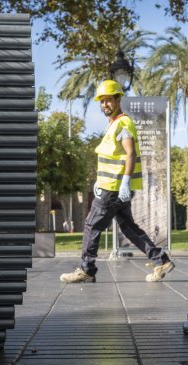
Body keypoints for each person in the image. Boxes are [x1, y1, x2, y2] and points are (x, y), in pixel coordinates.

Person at [60, 80, 174, 283]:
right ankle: (161, 260)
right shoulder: (113, 124)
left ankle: (86, 269)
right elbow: (112, 157)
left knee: (91, 225)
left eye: (108, 100)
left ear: (118, 99)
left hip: (113, 188)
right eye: (102, 101)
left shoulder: (122, 123)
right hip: (109, 185)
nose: (105, 105)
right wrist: (98, 180)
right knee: (129, 228)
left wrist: (125, 182)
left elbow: (130, 154)